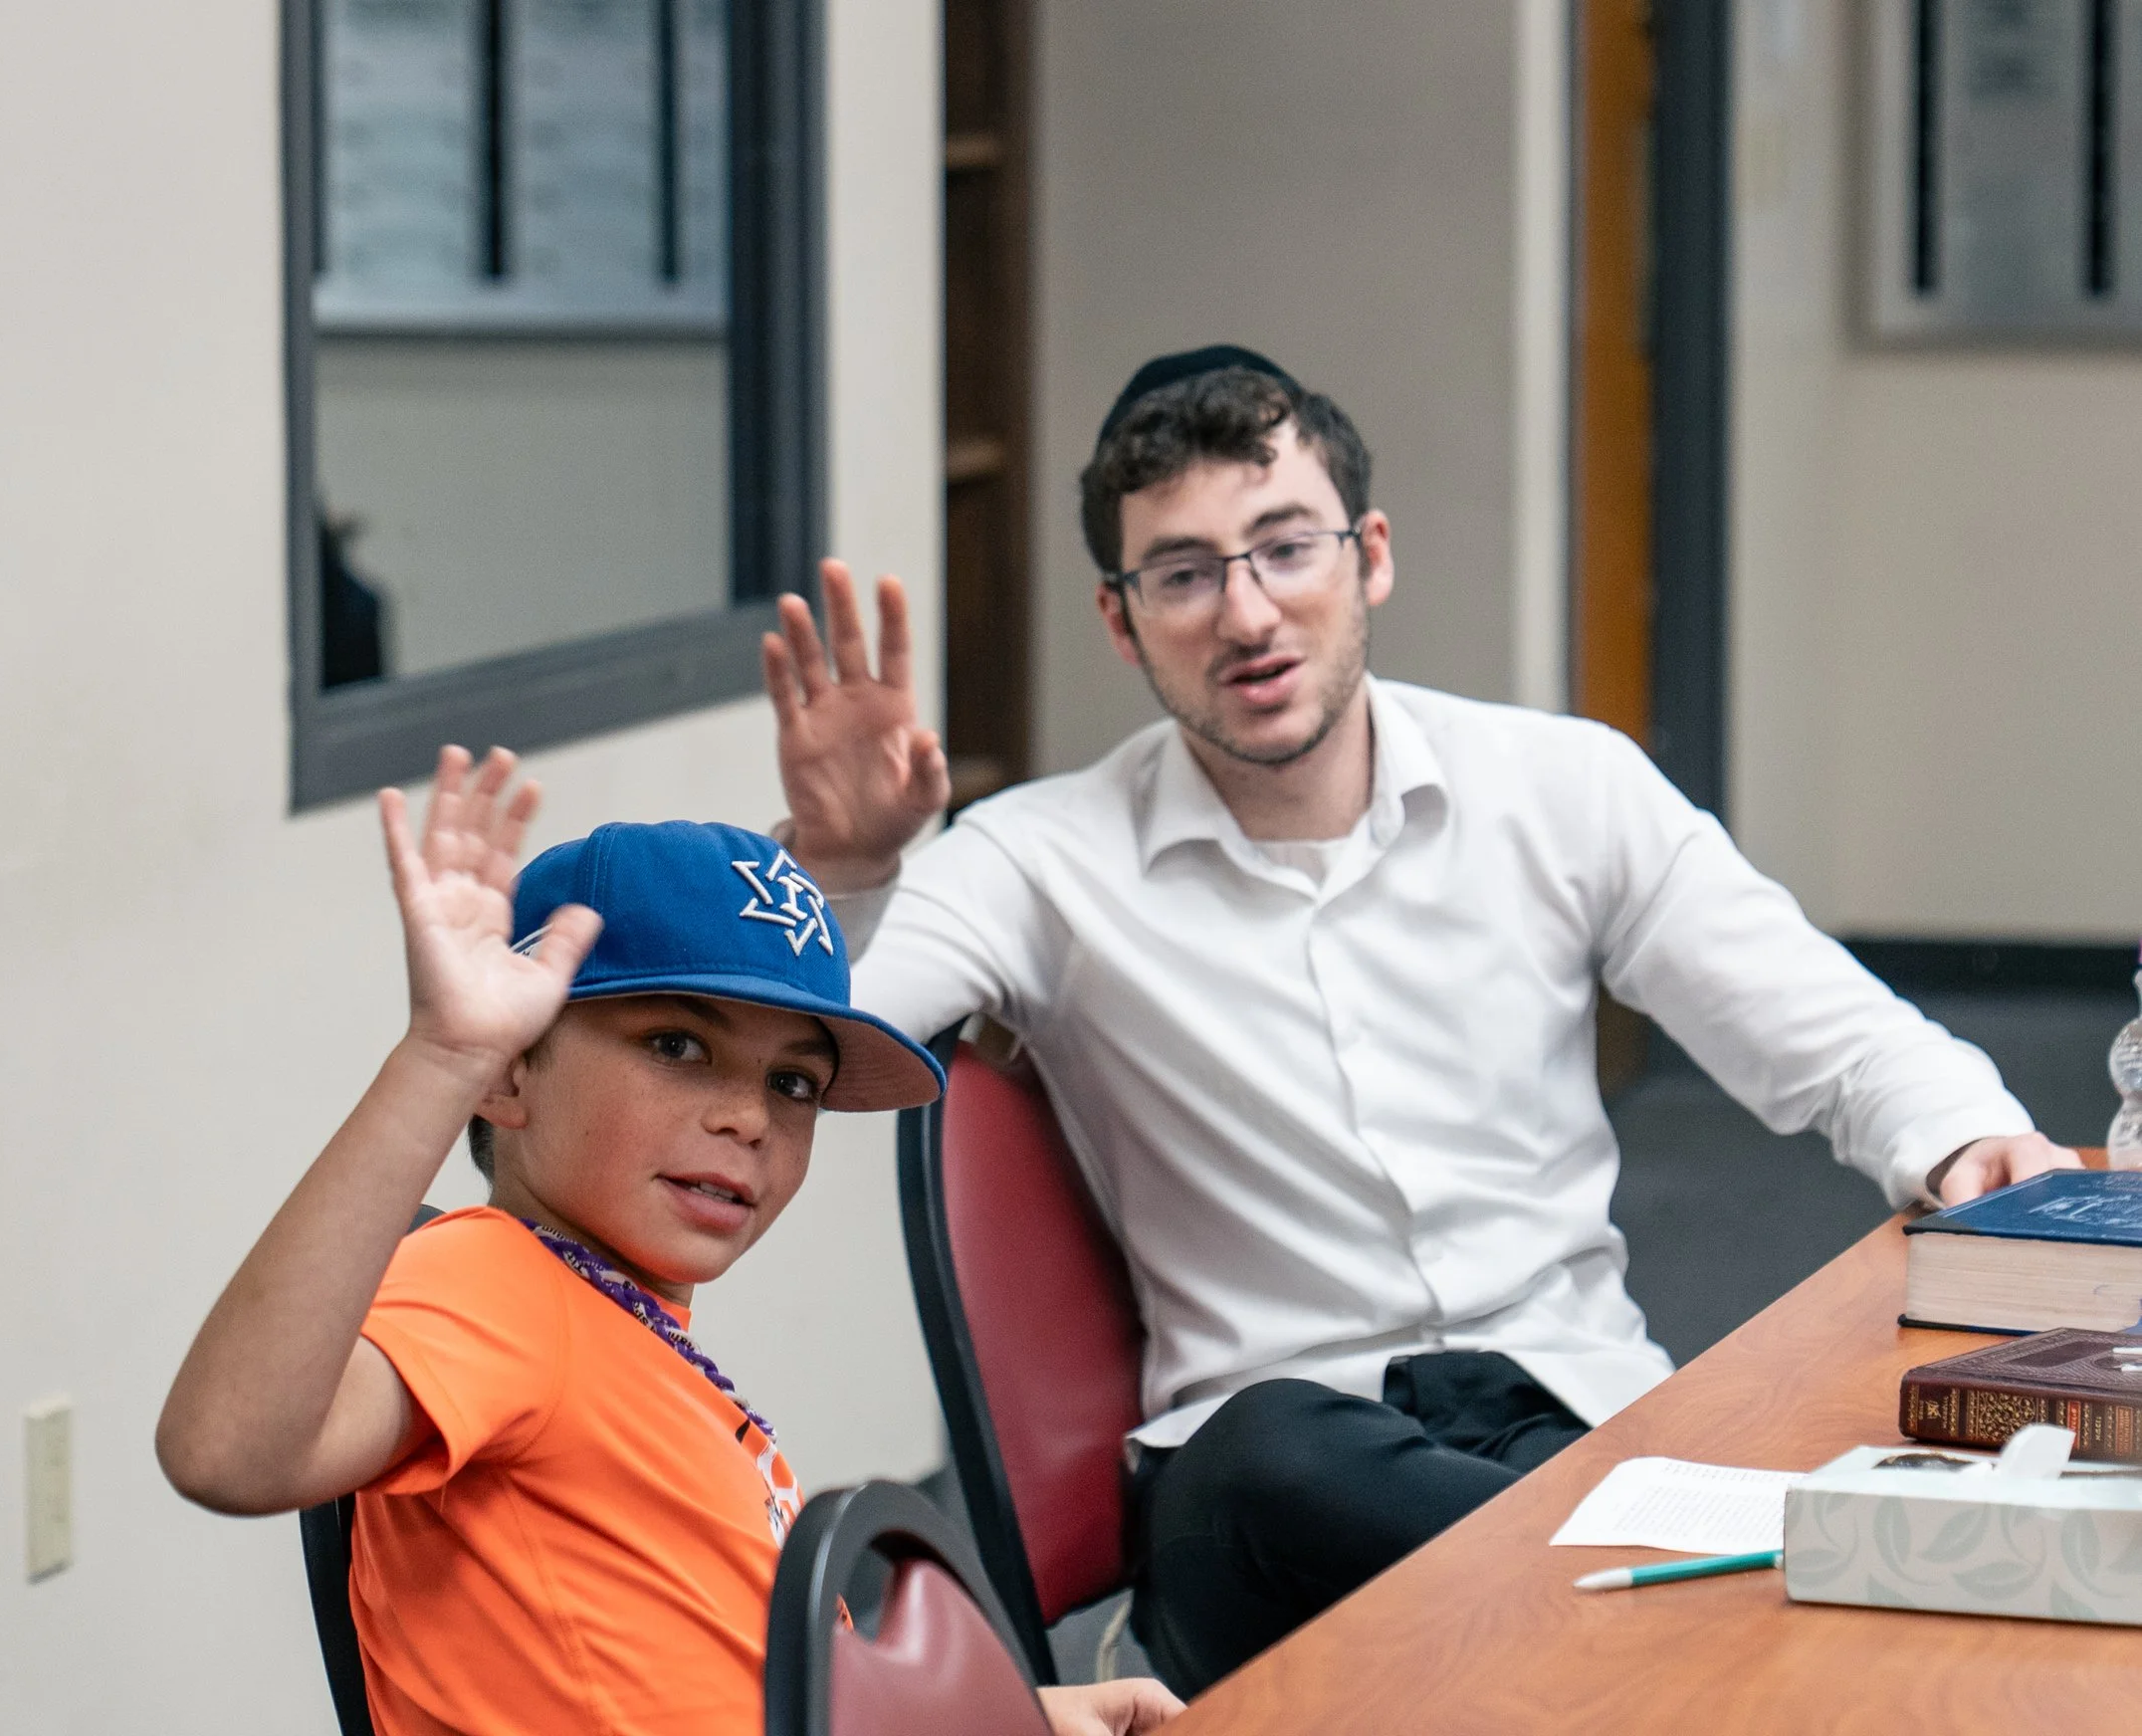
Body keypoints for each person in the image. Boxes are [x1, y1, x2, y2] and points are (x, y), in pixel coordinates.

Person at [760, 344, 2086, 1696]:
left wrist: (1972, 1139)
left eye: (1286, 548)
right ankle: (1707, 1630)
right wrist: (844, 870)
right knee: (1279, 1448)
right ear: (1122, 619)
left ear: (1370, 556)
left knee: (1701, 1455)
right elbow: (803, 1028)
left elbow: (1831, 1031)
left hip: (1575, 1421)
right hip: (1263, 1498)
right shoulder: (1037, 860)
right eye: (1183, 573)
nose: (1246, 613)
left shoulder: (1562, 788)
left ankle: (1647, 1638)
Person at [154, 746, 1182, 1736]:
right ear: (510, 1077)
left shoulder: (635, 1333)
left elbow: (734, 1692)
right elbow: (227, 1451)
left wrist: (1003, 1719)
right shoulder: (494, 1282)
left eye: (792, 1083)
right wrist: (440, 1058)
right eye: (678, 1046)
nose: (749, 1118)